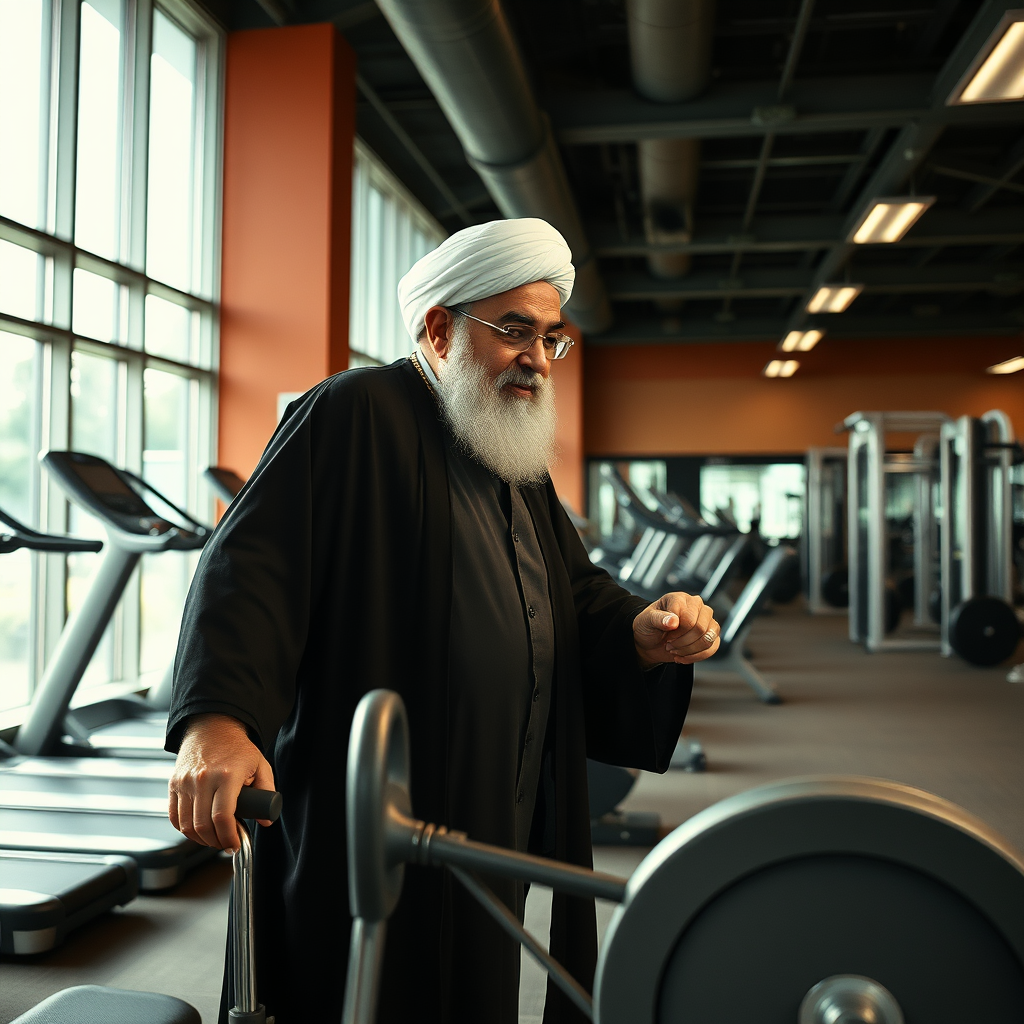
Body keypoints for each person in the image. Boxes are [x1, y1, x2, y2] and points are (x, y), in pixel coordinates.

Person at [166, 217, 721, 1024]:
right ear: (438, 328)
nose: (536, 356)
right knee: (360, 988)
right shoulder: (354, 412)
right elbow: (248, 572)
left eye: (550, 337)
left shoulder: (510, 451)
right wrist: (216, 724)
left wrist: (640, 630)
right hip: (377, 800)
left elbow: (572, 592)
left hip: (497, 797)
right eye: (514, 331)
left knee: (473, 985)